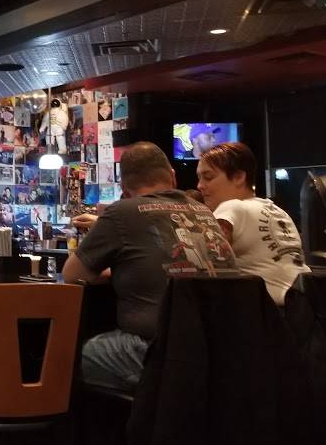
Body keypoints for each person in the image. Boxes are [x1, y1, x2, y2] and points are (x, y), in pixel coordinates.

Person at [63, 141, 237, 392]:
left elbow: (72, 275)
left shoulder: (121, 211)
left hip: (162, 353)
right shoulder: (203, 211)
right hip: (225, 352)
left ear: (124, 190)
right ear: (172, 177)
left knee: (72, 354)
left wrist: (115, 272)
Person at [196, 141, 307, 305]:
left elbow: (203, 262)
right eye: (199, 178)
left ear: (239, 177)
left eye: (208, 177)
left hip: (268, 312)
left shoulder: (231, 207)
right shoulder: (278, 211)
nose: (199, 186)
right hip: (305, 307)